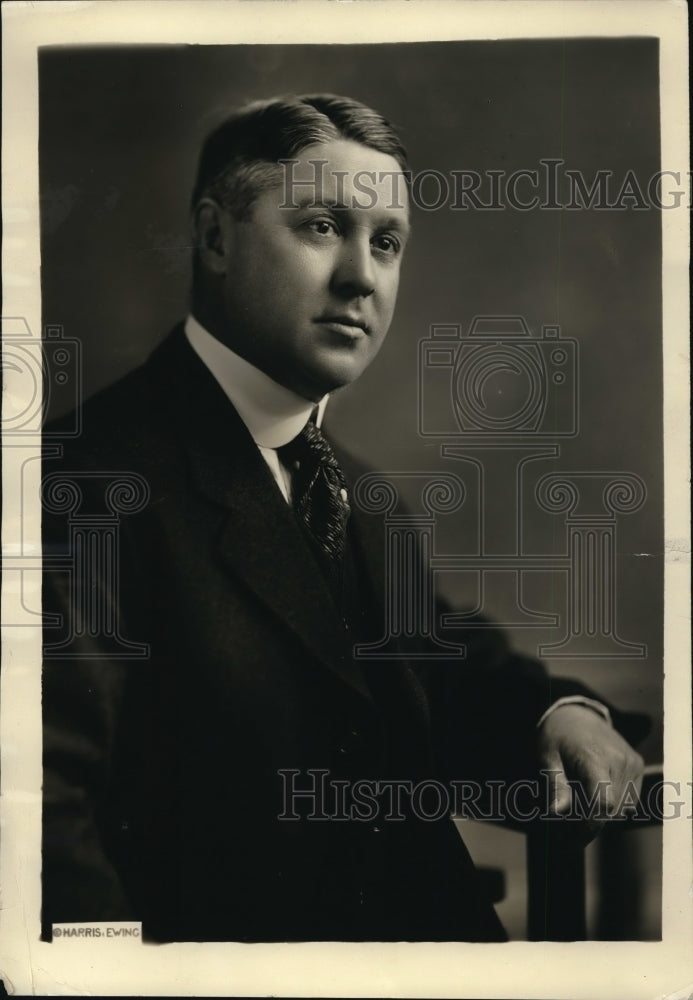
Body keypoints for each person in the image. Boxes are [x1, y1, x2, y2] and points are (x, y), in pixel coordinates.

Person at [41, 94, 647, 943]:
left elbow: (435, 661)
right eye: (322, 227)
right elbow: (41, 810)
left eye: (386, 242)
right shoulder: (87, 481)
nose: (362, 276)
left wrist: (561, 715)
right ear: (215, 237)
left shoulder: (350, 489)